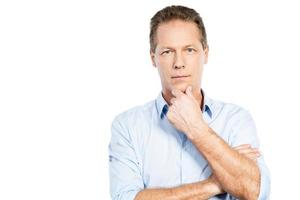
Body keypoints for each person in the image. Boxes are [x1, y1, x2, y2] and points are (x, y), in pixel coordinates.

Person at [109, 5, 270, 200]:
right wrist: (214, 185)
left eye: (190, 50)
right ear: (153, 58)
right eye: (167, 52)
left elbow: (255, 191)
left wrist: (197, 129)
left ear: (206, 54)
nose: (179, 63)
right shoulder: (127, 126)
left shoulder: (236, 119)